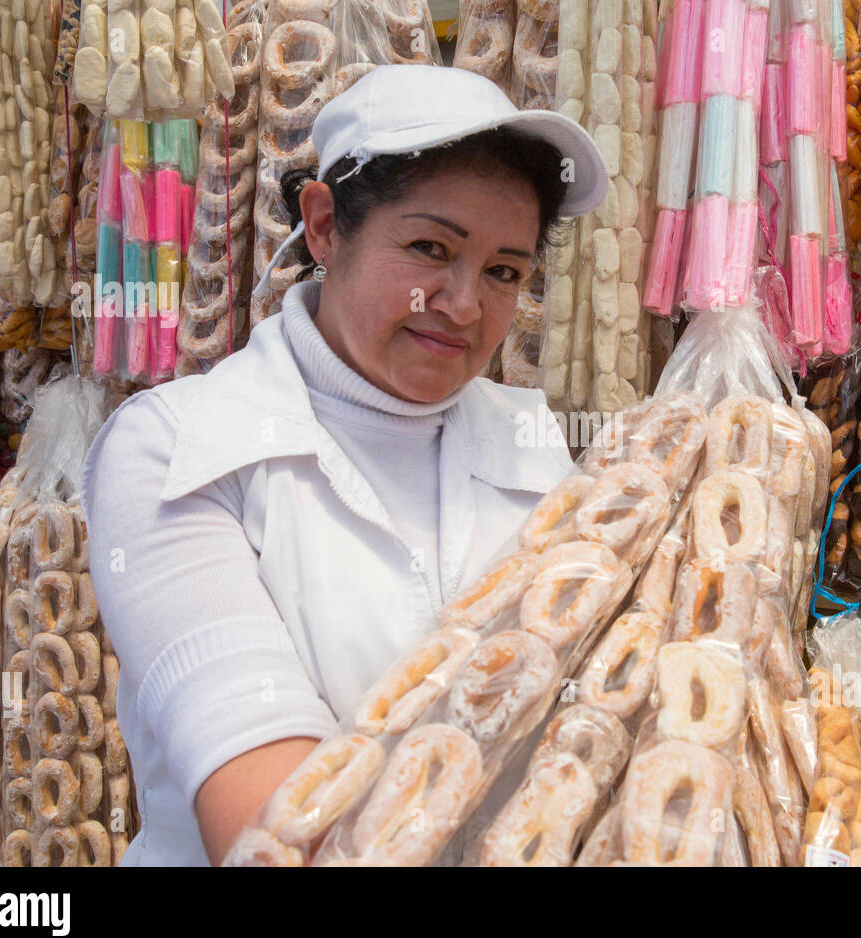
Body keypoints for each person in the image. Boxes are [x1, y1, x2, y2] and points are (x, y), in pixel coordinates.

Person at [80, 65, 607, 865]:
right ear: (324, 227)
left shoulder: (534, 449)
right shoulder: (180, 450)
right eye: (431, 247)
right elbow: (279, 831)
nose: (464, 305)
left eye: (505, 271)